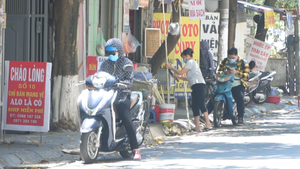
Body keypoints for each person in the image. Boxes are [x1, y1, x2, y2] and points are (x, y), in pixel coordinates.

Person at [99, 38, 141, 160]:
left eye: (113, 52)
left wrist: (123, 84)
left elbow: (129, 80)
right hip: (106, 95)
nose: (111, 55)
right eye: (108, 52)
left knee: (126, 118)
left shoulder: (127, 63)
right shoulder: (105, 64)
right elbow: (100, 75)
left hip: (122, 95)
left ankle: (135, 149)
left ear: (119, 51)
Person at [166, 48, 212, 132]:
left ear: (187, 56)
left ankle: (208, 123)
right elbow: (188, 78)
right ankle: (197, 126)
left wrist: (170, 67)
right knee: (194, 105)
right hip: (195, 86)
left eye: (183, 57)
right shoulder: (191, 64)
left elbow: (181, 72)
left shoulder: (190, 62)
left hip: (199, 85)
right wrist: (179, 77)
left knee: (201, 104)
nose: (183, 59)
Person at [207, 47, 249, 125]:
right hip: (224, 84)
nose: (231, 59)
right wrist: (224, 72)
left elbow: (246, 76)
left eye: (233, 58)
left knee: (239, 98)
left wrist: (236, 72)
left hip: (237, 84)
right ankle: (205, 115)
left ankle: (240, 118)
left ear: (237, 55)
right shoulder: (224, 61)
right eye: (230, 57)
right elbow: (218, 71)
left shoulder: (243, 63)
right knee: (213, 97)